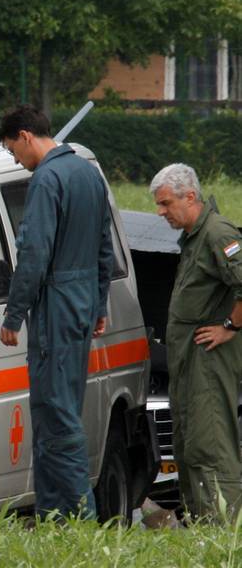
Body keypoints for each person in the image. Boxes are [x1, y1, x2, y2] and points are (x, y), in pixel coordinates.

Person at [0, 105, 113, 519]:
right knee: (53, 417)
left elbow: (34, 254)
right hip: (80, 304)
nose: (16, 160)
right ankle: (52, 518)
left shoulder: (47, 178)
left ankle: (81, 518)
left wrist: (13, 316)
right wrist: (99, 304)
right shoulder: (87, 173)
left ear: (26, 136)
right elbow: (104, 247)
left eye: (13, 151)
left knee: (57, 417)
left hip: (55, 307)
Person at [150, 163, 242, 520]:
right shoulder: (194, 236)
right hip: (189, 360)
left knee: (212, 443)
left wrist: (229, 327)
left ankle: (224, 528)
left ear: (190, 196)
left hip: (209, 358)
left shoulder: (218, 233)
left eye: (166, 203)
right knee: (188, 443)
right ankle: (200, 523)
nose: (161, 212)